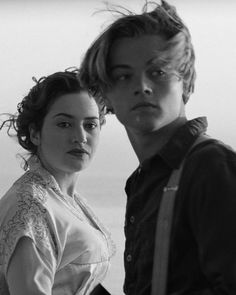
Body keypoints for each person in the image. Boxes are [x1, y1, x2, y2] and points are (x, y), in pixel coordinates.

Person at [79, 0, 236, 294]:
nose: (142, 86)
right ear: (104, 95)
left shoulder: (210, 166)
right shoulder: (147, 179)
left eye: (158, 72)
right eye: (123, 76)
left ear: (185, 82)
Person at [0, 69, 115, 295]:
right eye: (64, 124)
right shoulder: (31, 206)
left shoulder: (68, 201)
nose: (80, 136)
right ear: (35, 133)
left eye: (90, 125)